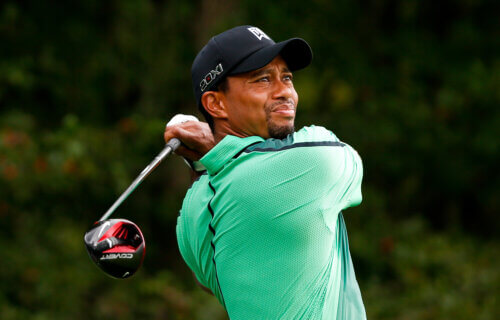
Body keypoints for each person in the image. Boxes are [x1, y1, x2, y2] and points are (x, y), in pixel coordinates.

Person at [164, 25, 366, 319]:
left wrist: (210, 157)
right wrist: (213, 151)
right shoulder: (312, 165)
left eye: (286, 77)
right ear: (215, 103)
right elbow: (352, 162)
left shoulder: (191, 215)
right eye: (262, 79)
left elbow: (208, 282)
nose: (284, 91)